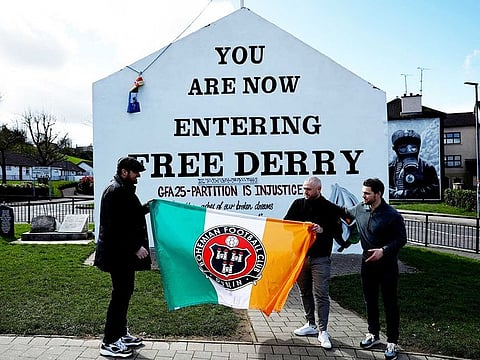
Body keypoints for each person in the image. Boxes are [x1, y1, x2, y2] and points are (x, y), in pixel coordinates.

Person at [94, 156, 152, 358]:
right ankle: (109, 342)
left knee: (124, 293)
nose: (138, 177)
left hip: (121, 255)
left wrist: (147, 207)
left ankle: (120, 333)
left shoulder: (122, 190)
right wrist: (135, 247)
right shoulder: (115, 191)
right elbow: (115, 228)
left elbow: (130, 216)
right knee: (119, 296)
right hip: (117, 255)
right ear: (124, 172)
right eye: (136, 173)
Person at [346, 178, 407, 360]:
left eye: (367, 193)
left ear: (378, 194)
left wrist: (384, 251)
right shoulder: (360, 208)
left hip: (387, 266)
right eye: (363, 192)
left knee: (389, 303)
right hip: (367, 265)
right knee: (370, 300)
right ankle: (373, 334)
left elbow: (401, 239)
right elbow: (343, 213)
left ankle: (392, 342)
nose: (363, 195)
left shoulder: (392, 215)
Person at [284, 176, 347, 349]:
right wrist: (300, 227)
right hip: (301, 257)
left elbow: (338, 231)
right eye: (304, 188)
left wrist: (322, 230)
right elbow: (286, 225)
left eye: (308, 189)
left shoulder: (329, 208)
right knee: (304, 292)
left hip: (321, 258)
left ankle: (323, 331)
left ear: (319, 189)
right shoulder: (298, 204)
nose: (305, 192)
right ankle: (310, 324)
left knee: (321, 295)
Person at [388, 129, 440, 199]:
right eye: (403, 148)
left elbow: (434, 189)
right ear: (395, 149)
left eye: (413, 148)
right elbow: (384, 187)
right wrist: (394, 193)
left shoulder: (427, 167)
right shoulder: (391, 168)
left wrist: (409, 193)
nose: (408, 152)